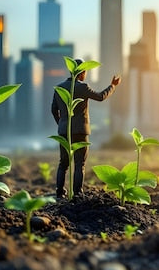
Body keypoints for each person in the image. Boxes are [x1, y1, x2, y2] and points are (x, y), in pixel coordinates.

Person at [51, 58, 121, 198]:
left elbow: (53, 109)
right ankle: (77, 193)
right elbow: (101, 97)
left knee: (63, 163)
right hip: (80, 131)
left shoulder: (59, 87)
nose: (86, 75)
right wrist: (112, 86)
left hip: (64, 131)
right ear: (81, 73)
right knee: (79, 163)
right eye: (86, 72)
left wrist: (62, 124)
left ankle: (59, 192)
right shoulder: (83, 87)